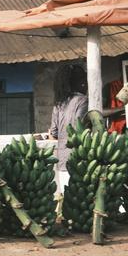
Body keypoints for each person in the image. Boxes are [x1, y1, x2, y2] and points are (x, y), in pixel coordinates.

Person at [49, 65, 88, 194]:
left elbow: (53, 132)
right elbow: (79, 128)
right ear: (81, 82)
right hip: (80, 162)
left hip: (63, 161)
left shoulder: (59, 103)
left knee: (69, 203)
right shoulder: (82, 101)